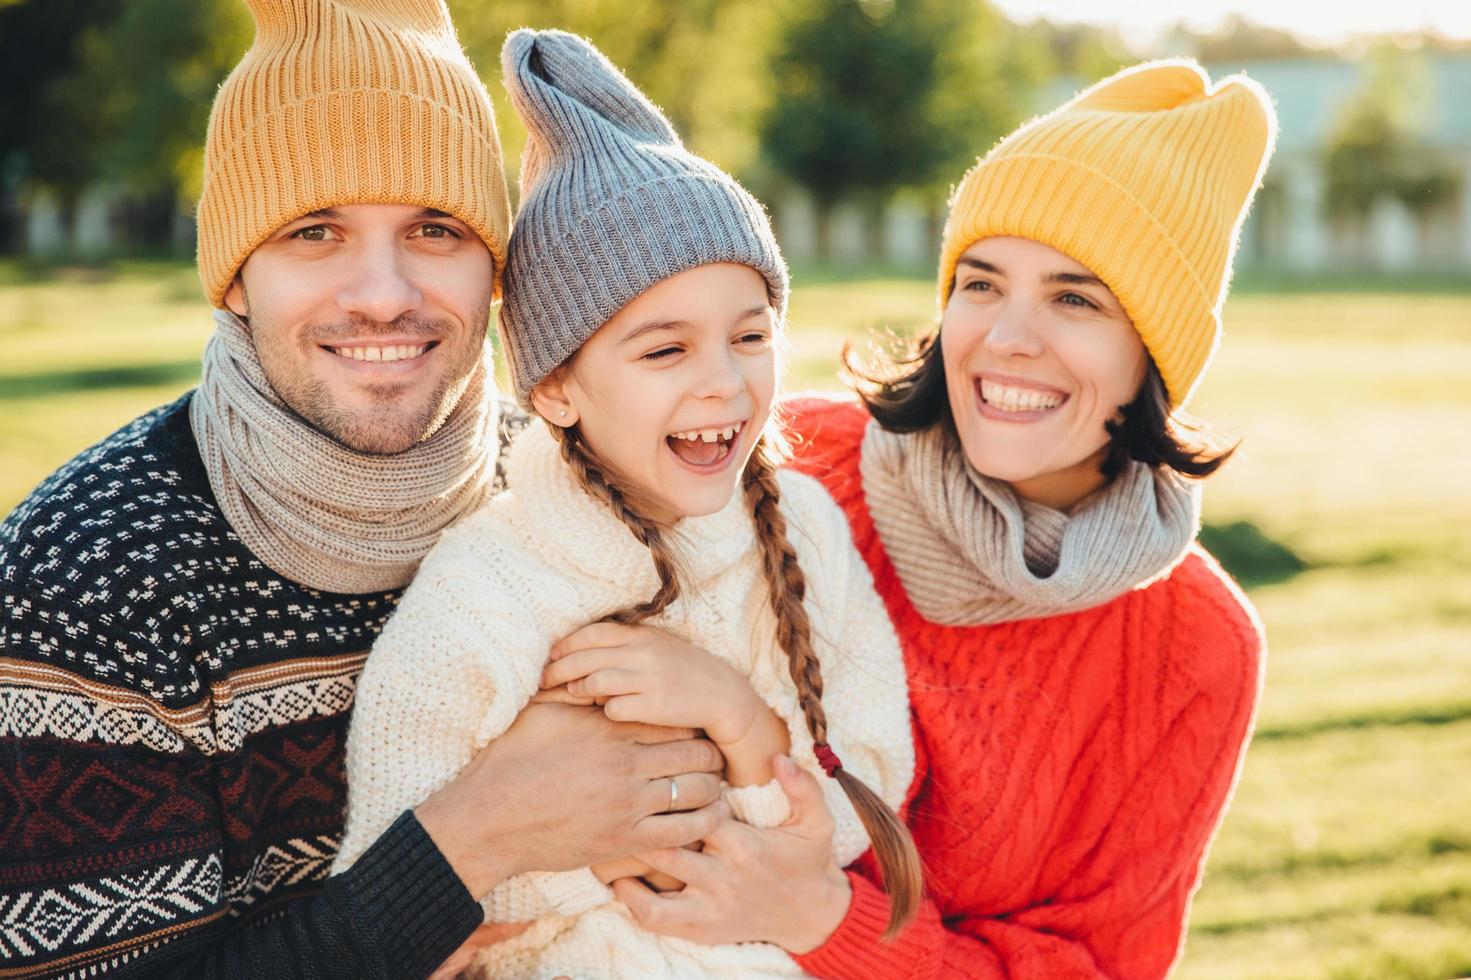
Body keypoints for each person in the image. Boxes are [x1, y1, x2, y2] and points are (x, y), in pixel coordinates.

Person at [0, 4, 727, 977]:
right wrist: (463, 848)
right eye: (314, 230)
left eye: (435, 228)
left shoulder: (575, 499)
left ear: (497, 270)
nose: (382, 292)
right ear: (232, 278)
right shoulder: (84, 582)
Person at [614, 60, 1279, 979]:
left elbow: (1091, 964)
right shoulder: (792, 458)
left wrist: (825, 921)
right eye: (979, 282)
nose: (1005, 337)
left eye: (1075, 298)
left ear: (1153, 355)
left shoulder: (1194, 649)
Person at [331, 29, 918, 979]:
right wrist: (595, 856)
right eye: (664, 350)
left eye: (749, 335)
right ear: (555, 389)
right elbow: (407, 877)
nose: (723, 384)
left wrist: (739, 722)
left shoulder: (803, 529)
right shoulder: (489, 586)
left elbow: (866, 795)